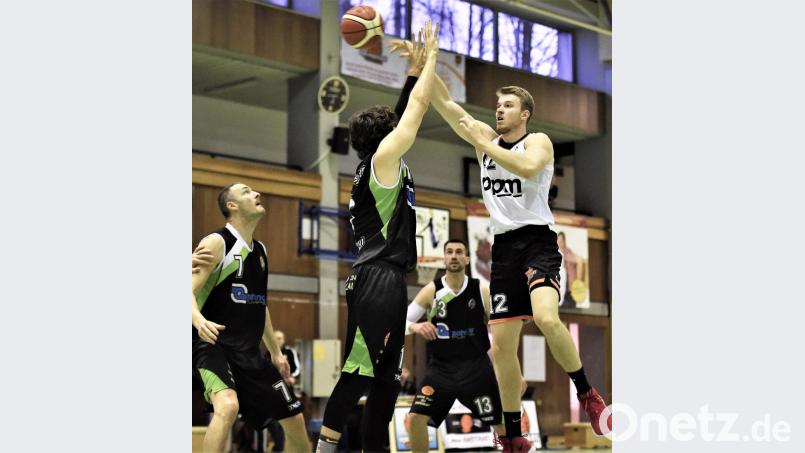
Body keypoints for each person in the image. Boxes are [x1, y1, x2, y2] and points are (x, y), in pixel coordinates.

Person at [391, 42, 610, 450]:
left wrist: (487, 146)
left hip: (538, 243)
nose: (499, 110)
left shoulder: (537, 142)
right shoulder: (484, 139)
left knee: (546, 317)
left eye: (508, 105)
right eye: (498, 106)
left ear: (523, 113)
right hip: (504, 249)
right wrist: (424, 63)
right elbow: (444, 101)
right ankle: (512, 435)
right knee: (502, 347)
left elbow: (526, 168)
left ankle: (586, 393)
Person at [315, 21, 440, 453]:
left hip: (386, 279)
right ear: (384, 137)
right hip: (377, 279)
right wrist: (433, 63)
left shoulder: (380, 163)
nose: (398, 125)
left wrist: (412, 69)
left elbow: (403, 108)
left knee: (386, 382)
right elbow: (416, 110)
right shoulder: (383, 161)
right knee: (358, 375)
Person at [191, 183, 311, 453]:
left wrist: (277, 353)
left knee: (295, 420)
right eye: (246, 192)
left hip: (249, 353)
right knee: (228, 406)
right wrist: (199, 322)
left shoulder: (261, 252)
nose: (256, 194)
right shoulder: (216, 243)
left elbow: (261, 306)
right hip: (213, 347)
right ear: (231, 206)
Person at [405, 238, 504, 452]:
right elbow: (402, 321)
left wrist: (511, 372)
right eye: (449, 252)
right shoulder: (432, 290)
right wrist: (416, 328)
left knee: (500, 423)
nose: (454, 255)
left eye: (459, 252)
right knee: (415, 419)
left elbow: (501, 336)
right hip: (441, 371)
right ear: (444, 258)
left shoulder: (481, 291)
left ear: (467, 259)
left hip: (476, 370)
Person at [264, 330, 302, 452]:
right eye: (276, 338)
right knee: (274, 420)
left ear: (284, 339)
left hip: (287, 388)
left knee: (290, 417)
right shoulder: (267, 353)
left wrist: (291, 377)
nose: (278, 340)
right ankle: (279, 446)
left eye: (280, 338)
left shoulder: (290, 352)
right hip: (273, 390)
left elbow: (297, 369)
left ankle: (286, 446)